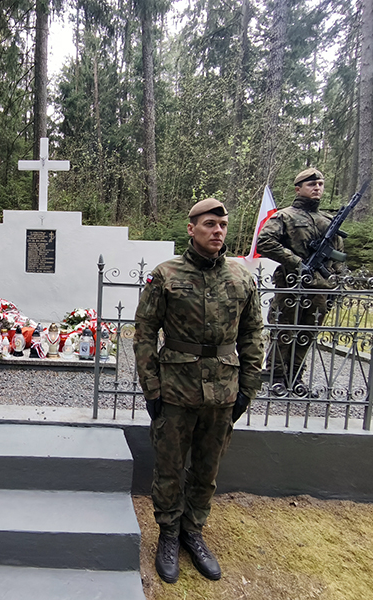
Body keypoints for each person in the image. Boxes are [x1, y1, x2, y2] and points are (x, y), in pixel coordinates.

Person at [134, 198, 263, 584]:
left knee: (207, 469)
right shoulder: (165, 275)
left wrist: (248, 386)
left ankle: (193, 531)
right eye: (209, 224)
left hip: (223, 391)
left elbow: (253, 333)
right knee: (170, 468)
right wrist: (151, 388)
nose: (217, 231)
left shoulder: (241, 277)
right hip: (175, 390)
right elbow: (144, 332)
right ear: (191, 229)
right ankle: (168, 533)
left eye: (222, 225)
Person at [256, 168, 342, 386]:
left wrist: (339, 282)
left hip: (320, 288)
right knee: (283, 331)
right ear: (298, 189)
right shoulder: (284, 216)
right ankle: (276, 376)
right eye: (311, 184)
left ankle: (295, 378)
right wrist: (296, 262)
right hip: (291, 285)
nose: (317, 188)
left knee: (307, 334)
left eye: (320, 184)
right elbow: (264, 242)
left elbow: (338, 255)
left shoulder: (328, 220)